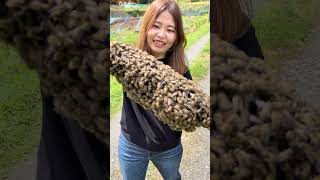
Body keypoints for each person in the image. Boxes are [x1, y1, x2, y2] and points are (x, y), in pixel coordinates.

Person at [118, 0, 191, 179]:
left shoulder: (181, 71)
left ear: (177, 37)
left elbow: (189, 113)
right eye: (156, 26)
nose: (161, 35)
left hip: (168, 149)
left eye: (170, 29)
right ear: (146, 27)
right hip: (131, 146)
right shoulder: (128, 60)